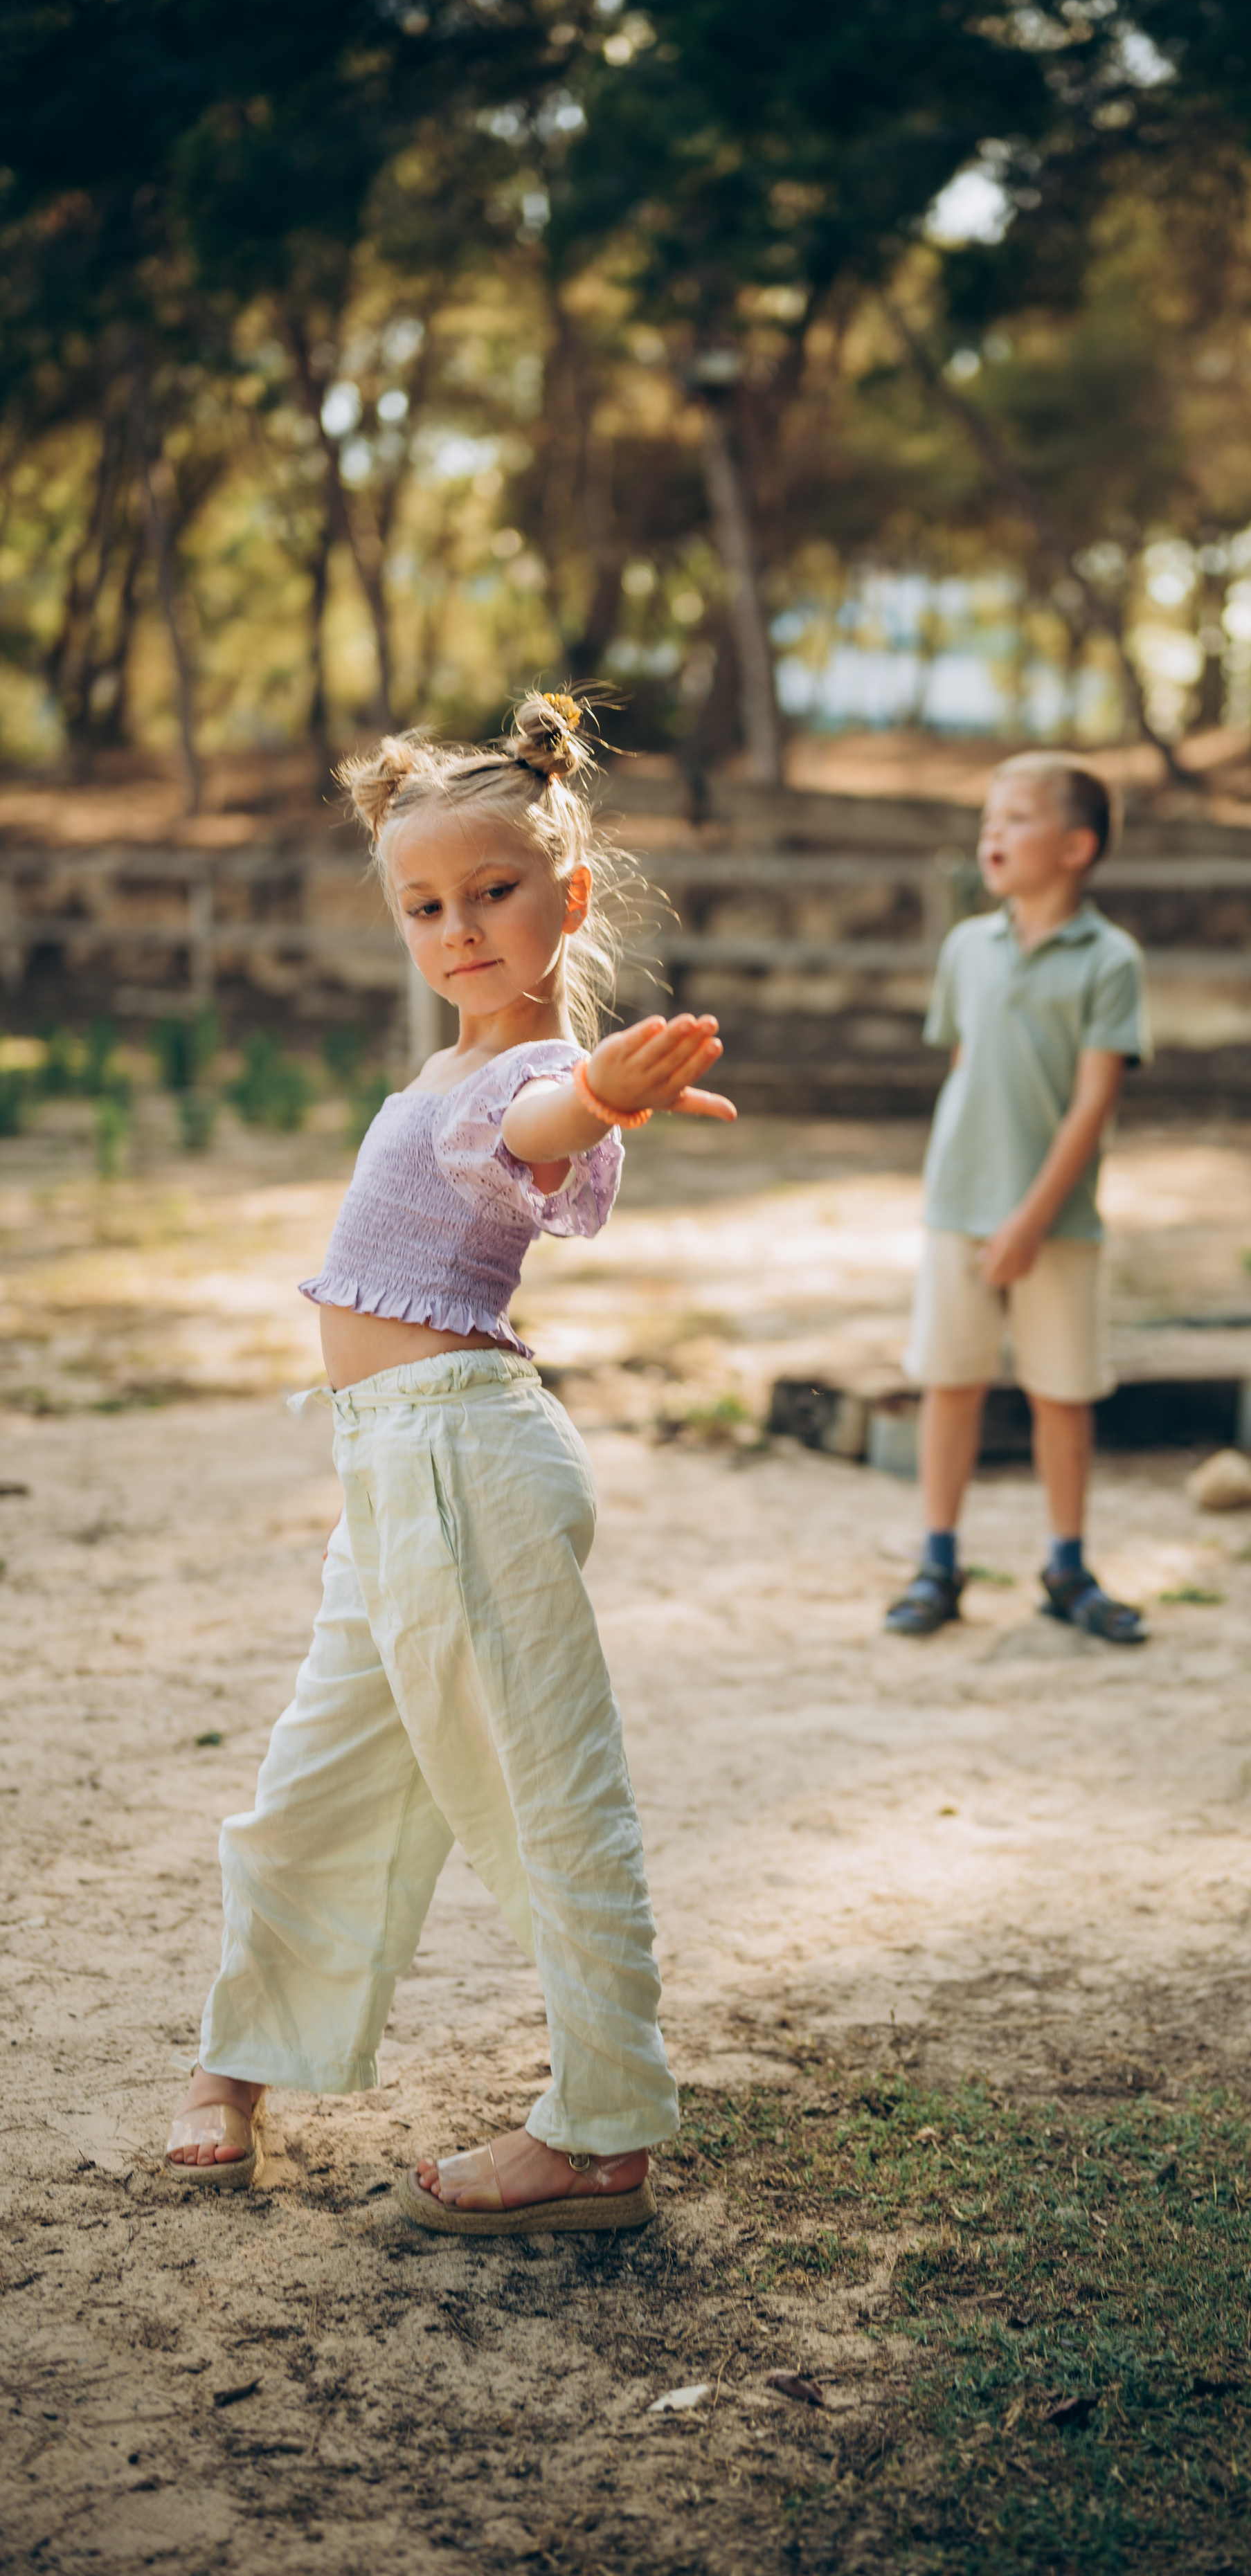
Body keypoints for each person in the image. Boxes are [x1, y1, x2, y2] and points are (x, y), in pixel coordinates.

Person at [165, 692, 735, 2235]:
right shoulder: (436, 1071)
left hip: (462, 1466)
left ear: (569, 897)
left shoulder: (529, 1074)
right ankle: (239, 2061)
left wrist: (605, 1092)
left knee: (548, 1797)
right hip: (388, 1478)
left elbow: (544, 1118)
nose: (457, 927)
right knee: (310, 1785)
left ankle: (603, 2130)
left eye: (491, 892)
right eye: (424, 903)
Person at [886, 750, 1151, 1645]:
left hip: (1058, 1225)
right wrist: (976, 1197)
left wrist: (1032, 1218)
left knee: (1061, 1395)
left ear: (1077, 846)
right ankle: (938, 1562)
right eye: (989, 818)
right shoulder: (967, 947)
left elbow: (1094, 1101)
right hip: (959, 1209)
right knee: (950, 1385)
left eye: (1018, 818)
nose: (992, 833)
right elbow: (966, 1067)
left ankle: (1067, 1566)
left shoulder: (1110, 961)